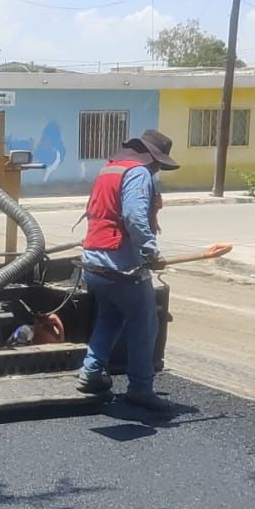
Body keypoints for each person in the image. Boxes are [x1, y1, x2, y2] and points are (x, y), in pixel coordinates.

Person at [74, 129, 178, 411]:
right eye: (157, 163)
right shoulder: (138, 174)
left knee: (110, 317)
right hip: (120, 265)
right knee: (144, 324)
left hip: (93, 260)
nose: (157, 169)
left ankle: (91, 373)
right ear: (151, 158)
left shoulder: (110, 169)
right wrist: (150, 252)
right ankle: (141, 388)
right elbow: (133, 215)